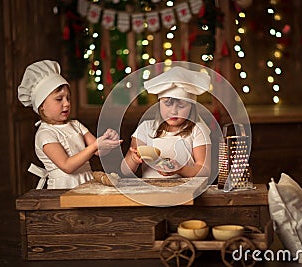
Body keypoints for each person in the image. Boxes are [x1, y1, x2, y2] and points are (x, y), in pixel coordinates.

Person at [18, 60, 122, 189]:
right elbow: (67, 166)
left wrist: (107, 140)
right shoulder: (45, 134)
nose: (66, 103)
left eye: (68, 98)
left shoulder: (75, 125)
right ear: (42, 106)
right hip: (64, 188)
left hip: (87, 182)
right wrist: (95, 145)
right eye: (59, 99)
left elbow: (99, 151)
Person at [121, 66, 211, 178]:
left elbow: (204, 170)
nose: (173, 111)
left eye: (181, 106)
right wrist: (133, 159)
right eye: (167, 104)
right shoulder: (146, 128)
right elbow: (125, 169)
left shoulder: (197, 130)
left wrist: (181, 169)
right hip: (149, 190)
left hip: (184, 191)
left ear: (191, 107)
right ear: (159, 104)